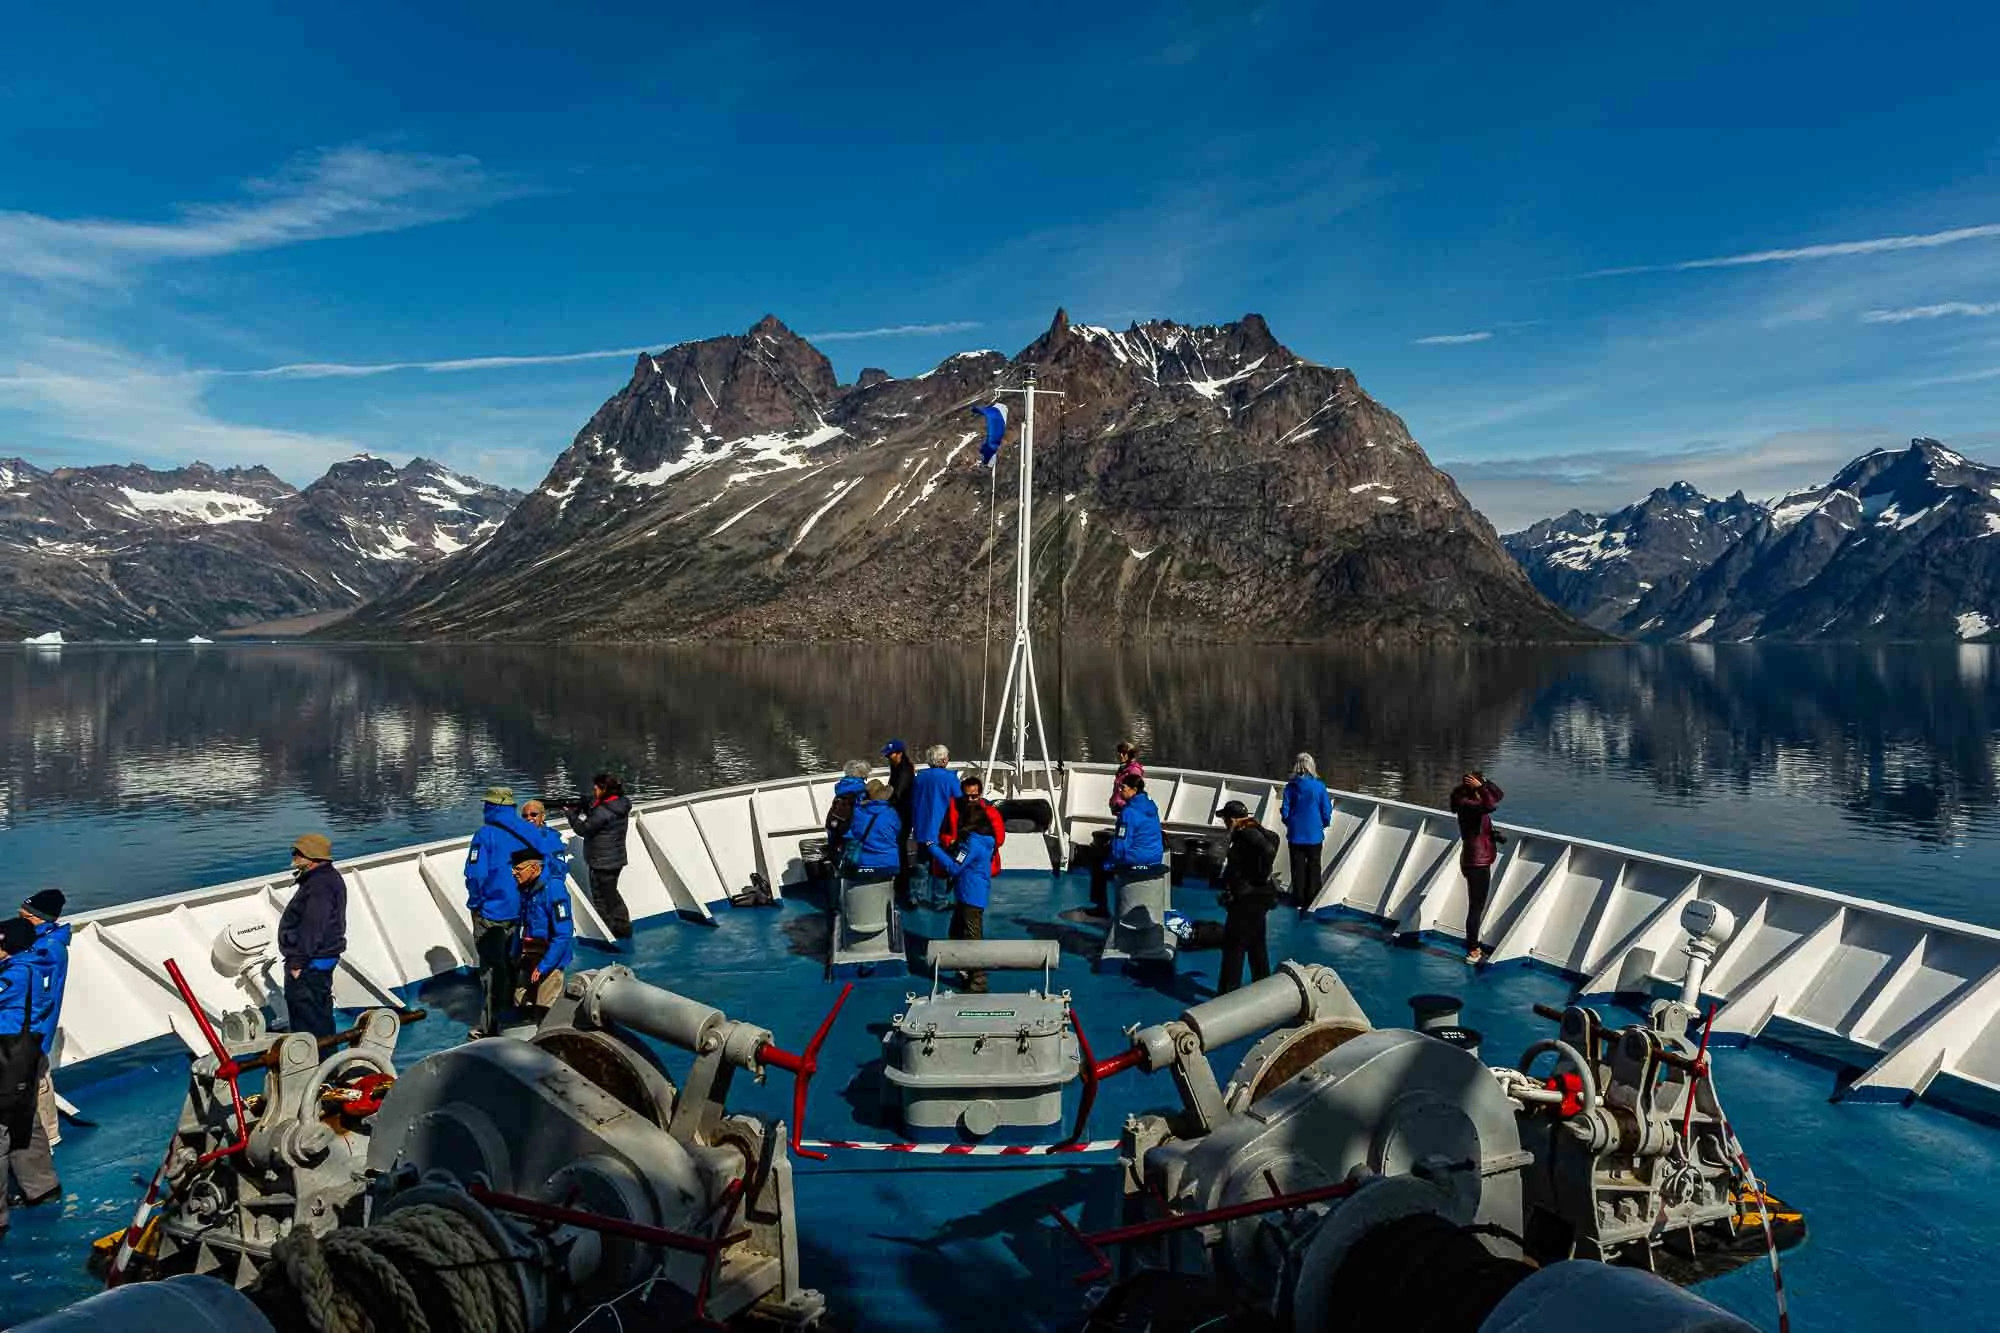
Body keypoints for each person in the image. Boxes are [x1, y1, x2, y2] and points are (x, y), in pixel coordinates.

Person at [0, 918, 59, 1235]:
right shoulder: (38, 965)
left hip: (7, 1058)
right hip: (27, 1055)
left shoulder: (15, 975)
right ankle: (43, 1187)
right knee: (23, 1120)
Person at [467, 786, 539, 1036]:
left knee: (492, 971)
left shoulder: (485, 835)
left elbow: (476, 875)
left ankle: (490, 1028)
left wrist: (476, 903)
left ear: (492, 806)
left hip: (492, 912)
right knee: (512, 962)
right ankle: (513, 1012)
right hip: (520, 910)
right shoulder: (529, 830)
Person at [278, 834, 346, 1040]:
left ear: (312, 856)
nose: (294, 856)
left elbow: (313, 926)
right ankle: (326, 1055)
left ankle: (318, 1057)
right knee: (319, 1013)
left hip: (310, 963)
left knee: (309, 1019)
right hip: (317, 960)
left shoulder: (319, 885)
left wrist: (297, 963)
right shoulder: (323, 878)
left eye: (298, 852)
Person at [1214, 800, 1281, 994]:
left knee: (1234, 947)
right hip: (1259, 899)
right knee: (1256, 944)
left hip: (1246, 900)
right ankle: (1263, 989)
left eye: (1226, 819)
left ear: (1233, 819)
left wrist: (1258, 878)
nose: (1225, 823)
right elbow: (1274, 839)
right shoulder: (1258, 829)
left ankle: (1227, 995)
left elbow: (1268, 851)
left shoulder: (1246, 833)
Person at [19, 891, 68, 1150]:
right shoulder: (41, 942)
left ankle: (46, 1138)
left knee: (36, 1081)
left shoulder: (47, 950)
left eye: (24, 917)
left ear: (40, 919)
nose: (19, 921)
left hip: (33, 1030)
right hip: (30, 1029)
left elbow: (39, 997)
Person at [928, 823, 999, 993]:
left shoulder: (971, 844)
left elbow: (954, 867)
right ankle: (965, 968)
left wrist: (933, 848)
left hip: (969, 897)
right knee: (957, 932)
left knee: (972, 938)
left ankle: (978, 980)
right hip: (971, 895)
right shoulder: (986, 842)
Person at [567, 773, 634, 940]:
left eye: (596, 788)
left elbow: (583, 829)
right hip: (615, 859)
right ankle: (622, 928)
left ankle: (611, 932)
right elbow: (595, 805)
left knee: (602, 899)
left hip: (601, 862)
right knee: (611, 895)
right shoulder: (621, 803)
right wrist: (585, 802)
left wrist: (571, 815)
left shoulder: (602, 812)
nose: (594, 791)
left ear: (605, 790)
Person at [1450, 772, 1506, 965]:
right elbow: (1490, 806)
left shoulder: (1472, 801)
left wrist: (1486, 783)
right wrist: (1481, 787)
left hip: (1478, 860)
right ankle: (1473, 950)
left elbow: (1498, 795)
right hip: (1476, 862)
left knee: (1477, 906)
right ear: (1473, 787)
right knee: (1476, 907)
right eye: (1480, 784)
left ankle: (1474, 946)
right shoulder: (1466, 804)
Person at [511, 847, 573, 1017]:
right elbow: (521, 925)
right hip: (529, 954)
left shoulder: (554, 890)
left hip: (549, 959)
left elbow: (563, 934)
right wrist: (515, 954)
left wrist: (544, 966)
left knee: (544, 1007)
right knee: (520, 1000)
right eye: (513, 868)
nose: (514, 873)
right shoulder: (525, 888)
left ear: (534, 868)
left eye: (518, 869)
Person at [1092, 773, 1164, 915]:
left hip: (1137, 858)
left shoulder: (1128, 812)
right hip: (1155, 856)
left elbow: (1121, 844)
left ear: (1134, 790)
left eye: (1123, 788)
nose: (1120, 791)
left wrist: (1109, 863)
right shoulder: (1151, 806)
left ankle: (1101, 908)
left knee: (1098, 864)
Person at [1280, 753, 1335, 917]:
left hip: (1295, 833)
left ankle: (1298, 899)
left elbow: (1285, 810)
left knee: (1297, 867)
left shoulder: (1291, 787)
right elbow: (1326, 809)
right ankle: (1312, 899)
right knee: (1314, 866)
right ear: (1312, 766)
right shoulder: (1319, 787)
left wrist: (1289, 822)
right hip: (1314, 833)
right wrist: (1324, 823)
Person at [909, 745, 961, 907]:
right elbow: (959, 801)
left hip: (922, 827)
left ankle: (916, 896)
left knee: (922, 863)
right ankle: (939, 900)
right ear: (944, 760)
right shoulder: (950, 779)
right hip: (941, 828)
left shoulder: (919, 778)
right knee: (940, 866)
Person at [942, 771, 1007, 874]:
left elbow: (999, 839)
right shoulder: (953, 811)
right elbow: (943, 833)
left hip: (981, 864)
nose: (970, 799)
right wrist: (951, 842)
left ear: (980, 794)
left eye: (974, 796)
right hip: (958, 858)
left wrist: (975, 848)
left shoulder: (991, 813)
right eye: (966, 796)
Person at [844, 780, 905, 876]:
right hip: (889, 864)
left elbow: (849, 833)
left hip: (863, 865)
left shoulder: (857, 813)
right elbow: (898, 832)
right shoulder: (891, 813)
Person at [883, 740, 918, 907]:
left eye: (890, 755)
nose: (888, 758)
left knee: (899, 846)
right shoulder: (896, 767)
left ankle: (902, 883)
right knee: (898, 845)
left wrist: (884, 803)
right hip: (898, 812)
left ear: (900, 754)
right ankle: (900, 880)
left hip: (903, 813)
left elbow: (897, 793)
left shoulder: (904, 770)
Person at [825, 760, 872, 864]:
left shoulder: (841, 787)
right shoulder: (862, 789)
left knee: (842, 857)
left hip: (838, 828)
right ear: (862, 774)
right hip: (854, 832)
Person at [1109, 741, 1145, 815]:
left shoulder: (1134, 770)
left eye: (1124, 753)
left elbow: (1135, 793)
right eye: (1119, 752)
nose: (1120, 755)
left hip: (1126, 810)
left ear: (1131, 755)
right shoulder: (1123, 769)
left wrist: (1123, 805)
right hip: (1119, 809)